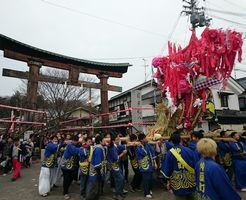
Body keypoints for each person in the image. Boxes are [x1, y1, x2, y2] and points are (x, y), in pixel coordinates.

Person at [161, 132, 197, 200]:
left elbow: (167, 169)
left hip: (177, 183)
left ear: (171, 142)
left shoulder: (169, 153)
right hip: (191, 181)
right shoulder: (189, 150)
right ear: (181, 140)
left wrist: (168, 181)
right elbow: (196, 164)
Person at [86, 135, 107, 200]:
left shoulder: (98, 147)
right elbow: (97, 165)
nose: (105, 141)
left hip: (95, 173)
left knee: (94, 188)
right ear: (100, 141)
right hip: (95, 174)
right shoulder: (98, 149)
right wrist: (100, 174)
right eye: (104, 140)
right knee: (93, 189)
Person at [136, 133, 157, 198]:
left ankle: (149, 189)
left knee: (152, 178)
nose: (146, 139)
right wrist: (142, 147)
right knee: (146, 179)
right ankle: (146, 193)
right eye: (145, 138)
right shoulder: (138, 147)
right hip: (144, 166)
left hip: (150, 164)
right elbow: (144, 153)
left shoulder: (148, 145)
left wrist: (155, 163)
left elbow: (152, 153)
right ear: (142, 140)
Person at [107, 133, 127, 200]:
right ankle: (117, 194)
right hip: (113, 166)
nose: (119, 139)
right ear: (113, 140)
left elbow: (123, 146)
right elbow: (116, 158)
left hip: (115, 165)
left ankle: (119, 193)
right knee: (120, 179)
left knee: (120, 179)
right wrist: (123, 153)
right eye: (117, 138)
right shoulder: (112, 148)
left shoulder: (115, 146)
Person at [61, 135, 81, 200]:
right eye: (74, 140)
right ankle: (65, 192)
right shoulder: (70, 145)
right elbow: (75, 151)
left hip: (72, 166)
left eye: (76, 141)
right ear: (72, 140)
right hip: (65, 165)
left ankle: (66, 188)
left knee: (71, 178)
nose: (75, 142)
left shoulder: (77, 145)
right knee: (66, 179)